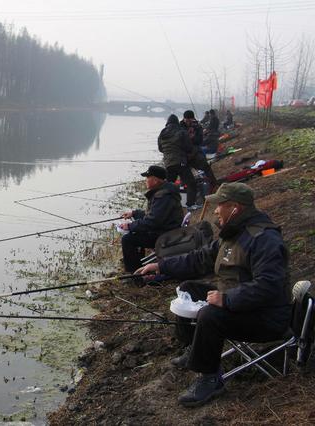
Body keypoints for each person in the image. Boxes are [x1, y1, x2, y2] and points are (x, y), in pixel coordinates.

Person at [136, 183, 290, 407]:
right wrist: (161, 266)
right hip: (243, 304)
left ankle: (210, 379)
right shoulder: (233, 233)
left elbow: (269, 286)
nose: (215, 210)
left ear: (235, 208)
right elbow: (199, 258)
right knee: (188, 288)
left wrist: (226, 299)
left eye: (220, 205)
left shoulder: (263, 239)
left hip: (267, 317)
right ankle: (195, 350)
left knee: (210, 315)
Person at [119, 165, 184, 273]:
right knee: (135, 232)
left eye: (147, 178)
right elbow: (154, 215)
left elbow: (153, 221)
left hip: (164, 235)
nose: (146, 180)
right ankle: (138, 264)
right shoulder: (164, 191)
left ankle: (135, 274)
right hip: (166, 230)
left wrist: (129, 226)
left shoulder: (163, 196)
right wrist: (134, 213)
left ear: (154, 180)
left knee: (127, 239)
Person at [157, 114, 199, 209]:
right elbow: (189, 148)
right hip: (180, 163)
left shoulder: (162, 133)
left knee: (168, 186)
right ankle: (190, 204)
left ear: (167, 123)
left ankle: (165, 206)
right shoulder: (181, 131)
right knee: (191, 183)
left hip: (168, 164)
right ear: (176, 122)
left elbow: (160, 148)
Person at [181, 110, 218, 196]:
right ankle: (185, 192)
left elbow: (200, 141)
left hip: (195, 153)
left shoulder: (197, 126)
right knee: (184, 173)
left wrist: (192, 137)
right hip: (184, 154)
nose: (188, 122)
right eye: (186, 120)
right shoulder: (180, 126)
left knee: (206, 167)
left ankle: (215, 185)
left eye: (190, 120)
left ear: (193, 119)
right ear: (184, 119)